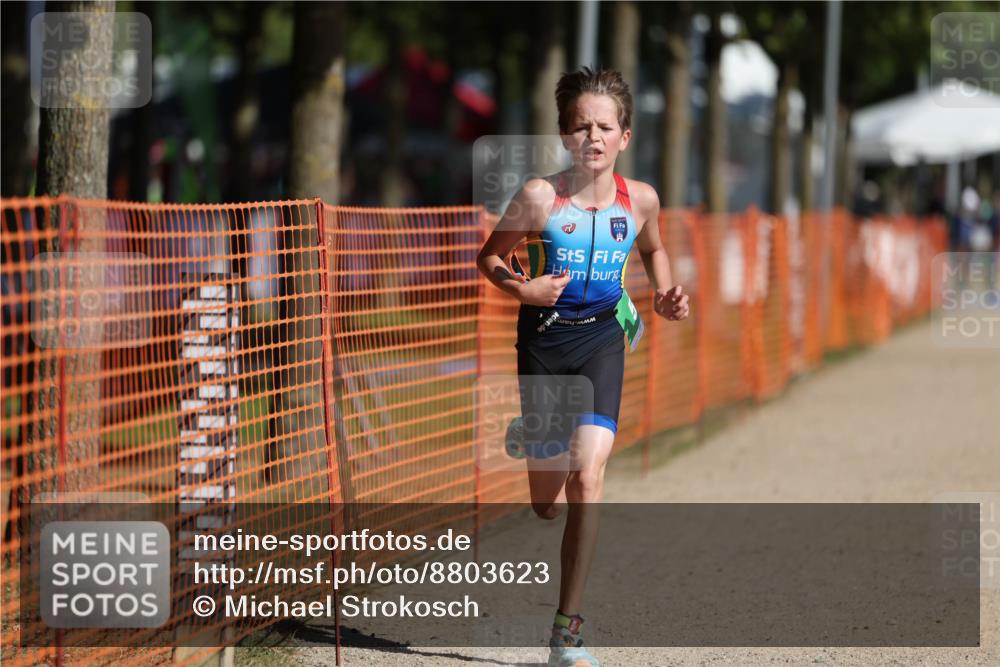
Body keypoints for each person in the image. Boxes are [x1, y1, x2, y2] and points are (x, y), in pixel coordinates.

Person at [476, 67, 690, 667]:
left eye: (604, 126)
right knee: (546, 501)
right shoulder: (540, 197)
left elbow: (654, 248)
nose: (592, 137)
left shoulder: (640, 198)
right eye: (580, 126)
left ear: (625, 135)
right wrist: (523, 289)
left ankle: (566, 633)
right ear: (564, 135)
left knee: (588, 477)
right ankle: (532, 439)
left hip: (600, 341)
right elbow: (490, 257)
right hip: (544, 345)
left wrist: (667, 292)